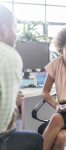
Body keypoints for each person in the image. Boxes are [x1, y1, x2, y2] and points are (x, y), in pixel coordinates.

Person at [0, 4, 43, 150]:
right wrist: (13, 104)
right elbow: (6, 124)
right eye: (15, 28)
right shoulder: (8, 55)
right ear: (5, 29)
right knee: (37, 140)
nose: (16, 35)